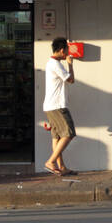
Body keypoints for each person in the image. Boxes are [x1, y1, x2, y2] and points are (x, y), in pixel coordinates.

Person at [43, 37, 76, 176]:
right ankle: (50, 162)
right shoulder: (56, 64)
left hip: (50, 106)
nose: (68, 53)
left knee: (56, 137)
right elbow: (71, 80)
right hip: (57, 106)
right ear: (62, 50)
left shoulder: (51, 63)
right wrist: (70, 64)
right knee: (69, 133)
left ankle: (62, 167)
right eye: (67, 50)